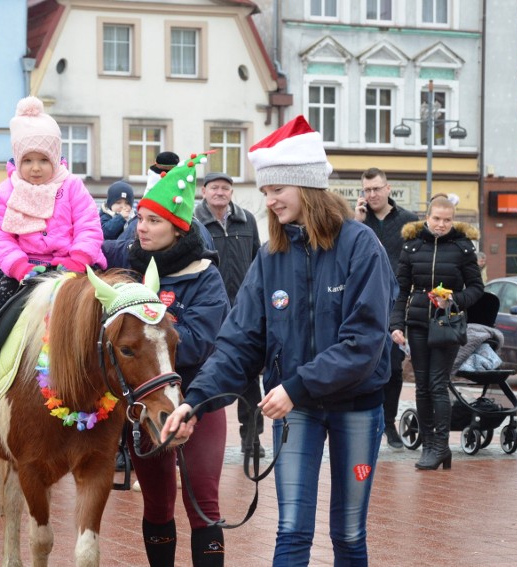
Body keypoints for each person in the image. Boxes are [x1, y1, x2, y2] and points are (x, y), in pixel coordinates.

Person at [161, 116, 396, 566]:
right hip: (298, 409)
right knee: (290, 531)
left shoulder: (361, 246)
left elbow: (364, 342)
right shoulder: (271, 257)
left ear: (305, 185)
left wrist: (293, 387)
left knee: (347, 533)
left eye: (276, 190)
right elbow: (238, 343)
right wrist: (194, 401)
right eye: (265, 192)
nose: (268, 201)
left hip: (355, 407)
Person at [102, 153, 229, 567]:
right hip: (147, 406)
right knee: (156, 504)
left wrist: (151, 330)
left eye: (153, 221)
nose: (142, 228)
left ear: (178, 228)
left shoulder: (204, 274)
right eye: (140, 219)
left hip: (198, 400)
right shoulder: (127, 272)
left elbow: (200, 343)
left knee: (203, 501)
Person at [0, 96, 107, 384]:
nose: (36, 168)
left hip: (72, 268)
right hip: (26, 270)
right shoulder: (6, 192)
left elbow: (89, 225)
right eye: (27, 160)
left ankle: (105, 368)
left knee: (102, 309)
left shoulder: (71, 187)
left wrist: (78, 260)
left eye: (43, 160)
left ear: (55, 159)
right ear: (17, 160)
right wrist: (18, 267)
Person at [390, 194, 484, 471]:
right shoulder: (412, 246)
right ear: (427, 218)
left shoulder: (463, 248)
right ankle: (429, 444)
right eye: (437, 219)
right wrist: (396, 325)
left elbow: (477, 289)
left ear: (453, 220)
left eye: (447, 220)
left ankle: (440, 445)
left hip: (447, 323)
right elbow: (401, 290)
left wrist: (454, 299)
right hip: (417, 322)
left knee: (437, 384)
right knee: (421, 386)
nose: (441, 224)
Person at [194, 171, 265, 457]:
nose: (220, 192)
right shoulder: (194, 221)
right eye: (214, 188)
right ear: (204, 191)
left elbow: (258, 257)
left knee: (249, 378)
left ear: (231, 192)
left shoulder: (246, 219)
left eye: (225, 188)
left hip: (244, 310)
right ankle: (201, 441)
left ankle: (252, 440)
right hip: (209, 310)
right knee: (205, 374)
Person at [355, 167, 419, 449]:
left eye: (377, 189)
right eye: (367, 190)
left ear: (388, 188)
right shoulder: (357, 221)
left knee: (393, 368)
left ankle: (389, 422)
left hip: (396, 304)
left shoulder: (408, 222)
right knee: (363, 366)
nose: (372, 195)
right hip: (364, 302)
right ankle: (367, 421)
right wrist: (356, 221)